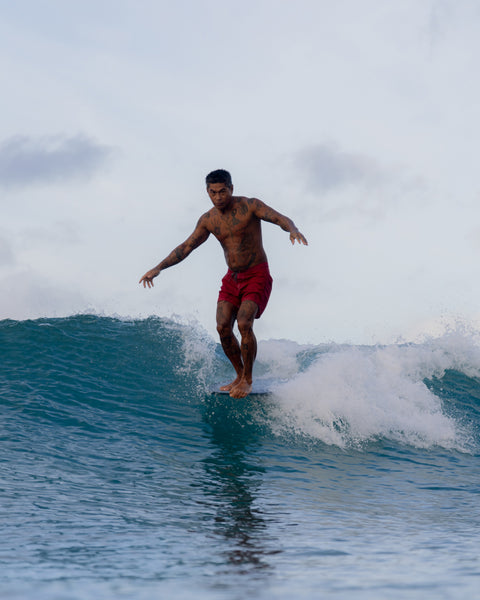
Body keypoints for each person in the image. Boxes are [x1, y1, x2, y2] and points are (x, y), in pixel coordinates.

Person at [139, 169, 308, 398]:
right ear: (207, 192)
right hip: (232, 278)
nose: (218, 197)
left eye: (222, 191)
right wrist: (158, 267)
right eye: (213, 192)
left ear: (231, 188)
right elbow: (186, 247)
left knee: (244, 323)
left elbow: (279, 218)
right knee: (222, 327)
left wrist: (293, 229)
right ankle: (239, 375)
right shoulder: (209, 220)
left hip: (256, 274)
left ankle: (248, 379)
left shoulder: (250, 206)